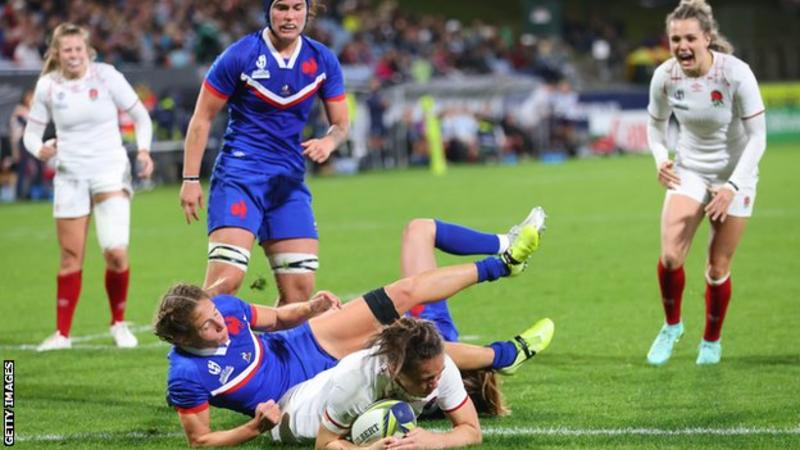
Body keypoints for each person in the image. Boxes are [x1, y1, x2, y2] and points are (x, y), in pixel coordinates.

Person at [154, 222, 551, 447]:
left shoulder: (224, 308)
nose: (220, 323)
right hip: (296, 398)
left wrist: (307, 310)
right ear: (183, 339)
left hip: (306, 344)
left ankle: (502, 264)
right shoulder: (187, 376)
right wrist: (253, 428)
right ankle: (503, 355)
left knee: (401, 294)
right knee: (413, 352)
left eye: (214, 314)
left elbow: (275, 319)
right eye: (207, 325)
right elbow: (201, 441)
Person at [179, 0, 349, 305]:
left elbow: (340, 124)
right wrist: (190, 178)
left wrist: (329, 143)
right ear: (267, 11)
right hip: (240, 176)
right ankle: (189, 347)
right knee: (226, 281)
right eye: (281, 7)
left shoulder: (322, 60)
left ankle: (271, 353)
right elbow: (201, 118)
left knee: (299, 290)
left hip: (287, 182)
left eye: (297, 7)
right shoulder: (240, 55)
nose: (289, 16)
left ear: (307, 11)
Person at [644, 0, 766, 366]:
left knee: (717, 267)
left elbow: (758, 137)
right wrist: (661, 158)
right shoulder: (666, 76)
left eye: (690, 38)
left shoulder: (735, 74)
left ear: (707, 39)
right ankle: (672, 326)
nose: (681, 46)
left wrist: (732, 186)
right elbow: (655, 125)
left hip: (735, 175)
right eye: (675, 38)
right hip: (690, 171)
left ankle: (711, 341)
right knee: (669, 256)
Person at [23, 23, 155, 351]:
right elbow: (31, 133)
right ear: (57, 53)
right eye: (66, 50)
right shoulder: (48, 87)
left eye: (78, 49)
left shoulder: (106, 76)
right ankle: (62, 335)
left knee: (115, 250)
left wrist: (143, 150)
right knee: (70, 258)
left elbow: (141, 117)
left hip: (109, 170)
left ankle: (119, 324)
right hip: (69, 174)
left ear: (87, 51)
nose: (73, 56)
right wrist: (38, 150)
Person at [272, 318, 485, 449]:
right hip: (291, 417)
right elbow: (324, 444)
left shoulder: (438, 367)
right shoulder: (357, 381)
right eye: (427, 380)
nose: (436, 384)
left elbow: (471, 430)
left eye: (439, 375)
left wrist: (435, 441)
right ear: (395, 371)